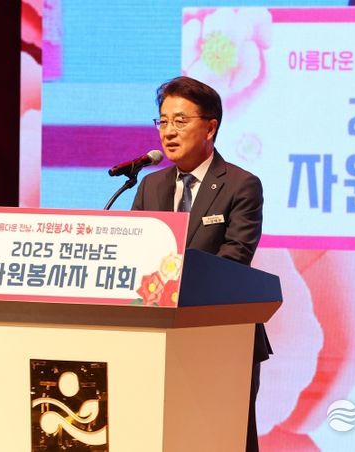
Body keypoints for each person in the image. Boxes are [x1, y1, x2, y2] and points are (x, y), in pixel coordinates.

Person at [132, 76, 272, 452]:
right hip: (158, 338)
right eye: (163, 121)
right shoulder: (150, 186)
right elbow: (136, 256)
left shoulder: (241, 185)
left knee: (225, 437)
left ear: (210, 127)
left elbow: (235, 258)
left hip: (222, 337)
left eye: (180, 121)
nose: (168, 132)